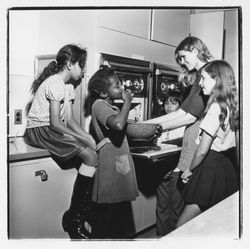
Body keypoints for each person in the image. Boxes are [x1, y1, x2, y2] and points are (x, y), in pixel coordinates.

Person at [25, 44, 98, 239]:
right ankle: (73, 218)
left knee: (92, 151)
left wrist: (87, 137)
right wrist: (83, 139)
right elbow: (56, 124)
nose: (84, 71)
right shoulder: (55, 83)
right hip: (40, 130)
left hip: (50, 129)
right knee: (91, 156)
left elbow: (70, 121)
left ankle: (79, 214)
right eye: (81, 66)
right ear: (69, 64)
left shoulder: (67, 87)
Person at [145, 36, 214, 236]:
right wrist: (145, 125)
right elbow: (182, 114)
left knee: (187, 220)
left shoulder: (207, 73)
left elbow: (187, 116)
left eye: (183, 57)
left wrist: (147, 127)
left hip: (202, 153)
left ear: (195, 50)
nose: (183, 63)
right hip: (194, 151)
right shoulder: (201, 76)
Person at [177, 60, 239, 227]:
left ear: (217, 80)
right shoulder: (232, 105)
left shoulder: (215, 108)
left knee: (182, 227)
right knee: (214, 223)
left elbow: (202, 150)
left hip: (209, 167)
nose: (201, 83)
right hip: (226, 166)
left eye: (203, 79)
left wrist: (189, 170)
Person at [84, 66, 140, 238]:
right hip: (109, 164)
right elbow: (117, 125)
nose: (121, 88)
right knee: (106, 216)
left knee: (115, 215)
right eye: (116, 85)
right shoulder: (99, 105)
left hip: (118, 161)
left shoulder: (108, 105)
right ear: (102, 92)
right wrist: (128, 103)